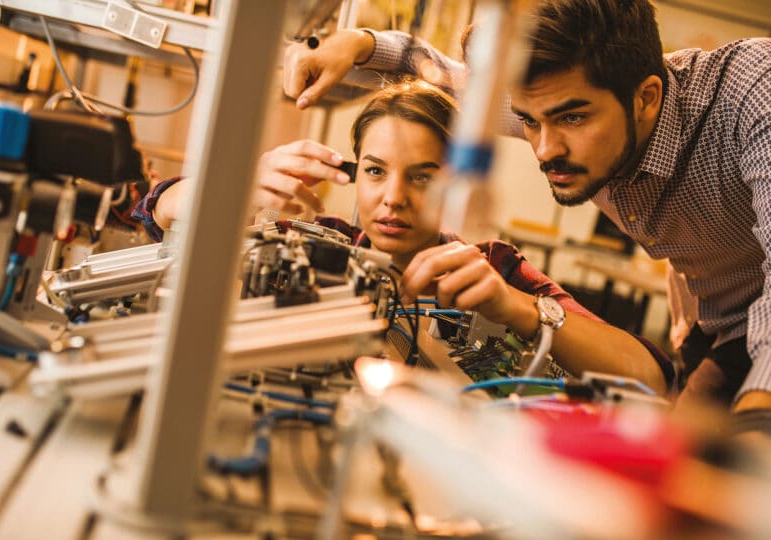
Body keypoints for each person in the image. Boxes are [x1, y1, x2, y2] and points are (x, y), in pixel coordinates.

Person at [280, 0, 771, 419]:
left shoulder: (753, 95)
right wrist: (360, 44)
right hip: (727, 319)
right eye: (527, 122)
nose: (543, 149)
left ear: (646, 98)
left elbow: (653, 370)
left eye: (571, 118)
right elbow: (438, 75)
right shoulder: (563, 111)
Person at [133, 81, 672, 394]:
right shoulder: (314, 241)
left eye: (422, 176)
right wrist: (233, 185)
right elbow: (153, 212)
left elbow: (651, 375)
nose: (393, 197)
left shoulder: (491, 269)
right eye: (375, 171)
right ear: (353, 171)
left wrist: (518, 308)